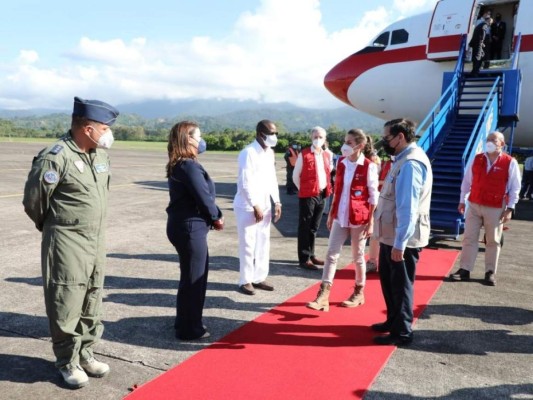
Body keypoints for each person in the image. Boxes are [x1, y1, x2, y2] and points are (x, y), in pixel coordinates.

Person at [22, 97, 119, 389]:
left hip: (95, 238)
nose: (108, 133)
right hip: (66, 240)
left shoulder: (100, 155)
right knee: (66, 299)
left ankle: (86, 352)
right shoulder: (55, 156)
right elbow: (34, 201)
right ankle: (67, 361)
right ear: (87, 128)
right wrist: (53, 228)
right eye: (104, 127)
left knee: (92, 297)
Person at [372, 118, 433, 346]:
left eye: (387, 138)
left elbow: (408, 207)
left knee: (401, 286)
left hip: (401, 237)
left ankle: (403, 331)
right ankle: (392, 321)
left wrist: (401, 243)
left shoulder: (410, 164)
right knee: (389, 283)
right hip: (391, 233)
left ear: (400, 137)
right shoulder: (401, 159)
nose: (384, 142)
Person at [307, 129, 378, 311]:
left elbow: (372, 196)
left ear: (360, 146)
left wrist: (370, 222)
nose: (345, 145)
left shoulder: (369, 166)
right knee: (331, 253)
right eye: (345, 141)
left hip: (359, 217)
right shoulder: (342, 163)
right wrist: (331, 213)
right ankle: (323, 294)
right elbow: (337, 190)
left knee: (358, 256)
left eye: (349, 142)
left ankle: (359, 291)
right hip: (340, 215)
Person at [166, 121, 224, 341]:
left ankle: (185, 321)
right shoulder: (188, 165)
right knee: (194, 279)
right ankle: (190, 328)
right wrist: (216, 216)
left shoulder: (179, 163)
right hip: (191, 227)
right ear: (187, 139)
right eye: (198, 136)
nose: (201, 140)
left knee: (190, 276)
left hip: (183, 226)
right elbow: (203, 196)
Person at [450, 131, 521, 286]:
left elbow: (515, 187)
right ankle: (464, 269)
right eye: (488, 139)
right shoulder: (477, 159)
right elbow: (467, 181)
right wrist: (462, 200)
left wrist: (510, 209)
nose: (489, 142)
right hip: (474, 204)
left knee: (493, 241)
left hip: (495, 207)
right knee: (469, 238)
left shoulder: (510, 162)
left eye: (493, 140)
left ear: (501, 144)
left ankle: (490, 272)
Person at [233, 120, 282, 295]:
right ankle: (245, 280)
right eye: (271, 133)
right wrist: (255, 205)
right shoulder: (248, 153)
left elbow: (272, 179)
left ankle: (259, 277)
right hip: (247, 206)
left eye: (276, 133)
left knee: (263, 242)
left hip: (265, 205)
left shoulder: (269, 153)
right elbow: (245, 183)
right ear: (260, 134)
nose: (274, 137)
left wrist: (276, 201)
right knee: (248, 244)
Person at [293, 126, 332, 270]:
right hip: (308, 195)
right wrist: (305, 190)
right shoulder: (304, 154)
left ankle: (311, 254)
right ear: (311, 138)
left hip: (322, 194)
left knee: (314, 227)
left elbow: (328, 173)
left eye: (320, 137)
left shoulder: (327, 155)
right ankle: (304, 258)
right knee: (305, 226)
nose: (318, 140)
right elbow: (295, 176)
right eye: (315, 137)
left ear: (325, 139)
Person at [363, 135, 381, 273]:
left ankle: (373, 261)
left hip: (373, 197)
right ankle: (373, 261)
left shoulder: (372, 160)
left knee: (374, 233)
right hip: (373, 197)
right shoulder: (376, 158)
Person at [322, 140, 336, 215]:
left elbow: (333, 166)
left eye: (324, 144)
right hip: (321, 176)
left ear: (327, 145)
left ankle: (325, 210)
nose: (322, 146)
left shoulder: (330, 154)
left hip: (328, 176)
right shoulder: (319, 152)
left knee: (327, 193)